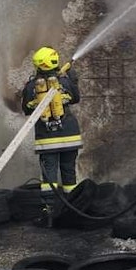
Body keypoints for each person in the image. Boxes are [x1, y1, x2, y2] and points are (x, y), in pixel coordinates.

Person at [21, 46, 83, 189]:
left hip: (47, 137)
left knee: (49, 174)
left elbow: (26, 109)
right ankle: (73, 203)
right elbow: (75, 99)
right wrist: (73, 80)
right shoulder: (65, 82)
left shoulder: (32, 86)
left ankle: (49, 207)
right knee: (69, 171)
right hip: (70, 135)